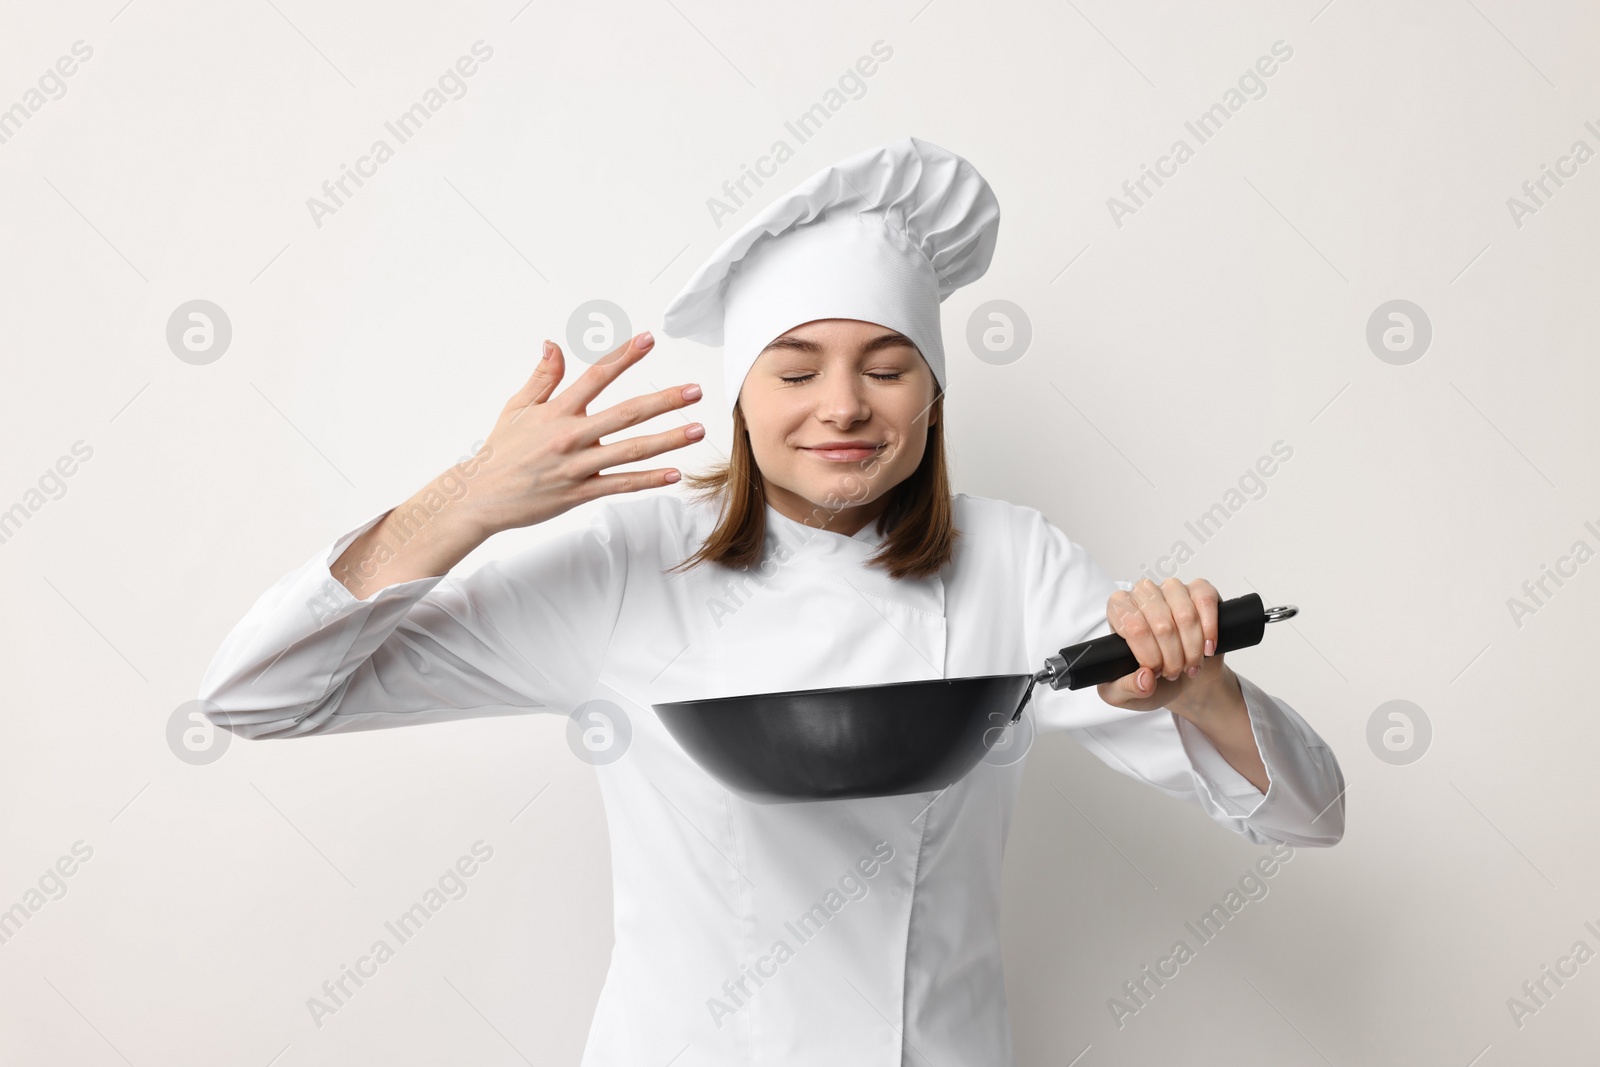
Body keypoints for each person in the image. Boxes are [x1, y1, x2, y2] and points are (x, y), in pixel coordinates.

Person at [198, 136, 1345, 1065]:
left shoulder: (1012, 563)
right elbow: (258, 698)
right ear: (742, 400)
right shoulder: (625, 561)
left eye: (885, 367)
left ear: (933, 399)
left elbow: (1305, 814)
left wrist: (1201, 688)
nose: (840, 406)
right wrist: (464, 503)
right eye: (794, 371)